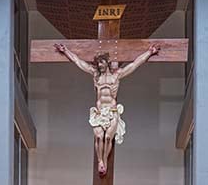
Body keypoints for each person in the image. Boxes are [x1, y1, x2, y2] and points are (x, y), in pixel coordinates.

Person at [53, 42, 160, 176]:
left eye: (101, 63)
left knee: (108, 138)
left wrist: (149, 52)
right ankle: (100, 161)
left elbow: (135, 64)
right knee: (99, 137)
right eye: (98, 63)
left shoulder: (116, 75)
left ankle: (105, 161)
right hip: (99, 112)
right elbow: (78, 61)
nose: (99, 65)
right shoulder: (96, 75)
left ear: (107, 63)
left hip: (112, 112)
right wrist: (65, 51)